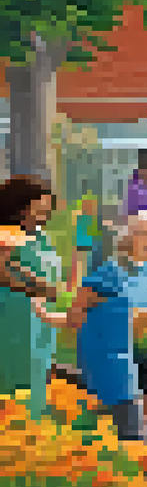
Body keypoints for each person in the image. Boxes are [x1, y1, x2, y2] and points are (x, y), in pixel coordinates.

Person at [54, 213, 147, 441]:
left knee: (120, 420)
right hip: (103, 355)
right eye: (145, 235)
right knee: (127, 424)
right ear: (128, 237)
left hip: (127, 354)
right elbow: (76, 313)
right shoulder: (109, 272)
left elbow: (145, 315)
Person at [0, 176, 64, 418]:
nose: (43, 214)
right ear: (19, 207)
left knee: (38, 371)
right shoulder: (6, 234)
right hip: (11, 318)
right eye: (38, 208)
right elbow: (3, 272)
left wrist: (46, 289)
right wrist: (37, 289)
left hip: (39, 320)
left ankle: (32, 429)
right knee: (13, 379)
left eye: (46, 209)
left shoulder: (40, 236)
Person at [70, 187, 103, 292]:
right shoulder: (79, 218)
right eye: (87, 204)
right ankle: (77, 290)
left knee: (88, 271)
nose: (90, 207)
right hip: (80, 249)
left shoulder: (94, 220)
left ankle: (84, 289)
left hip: (91, 250)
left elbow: (97, 235)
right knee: (78, 272)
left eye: (92, 205)